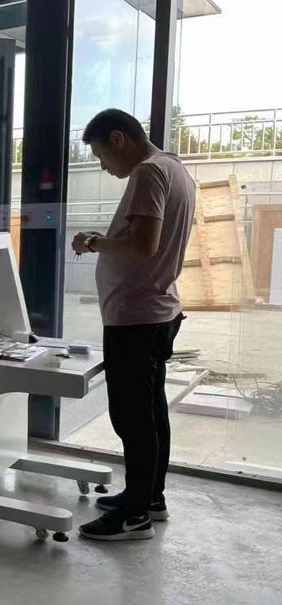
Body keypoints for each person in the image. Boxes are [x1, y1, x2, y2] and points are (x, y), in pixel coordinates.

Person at [72, 109, 194, 541]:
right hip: (156, 313)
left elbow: (144, 246)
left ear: (118, 139)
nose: (104, 167)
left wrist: (93, 242)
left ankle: (134, 516)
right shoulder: (175, 167)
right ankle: (148, 497)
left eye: (101, 155)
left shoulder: (147, 173)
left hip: (137, 317)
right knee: (151, 412)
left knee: (132, 419)